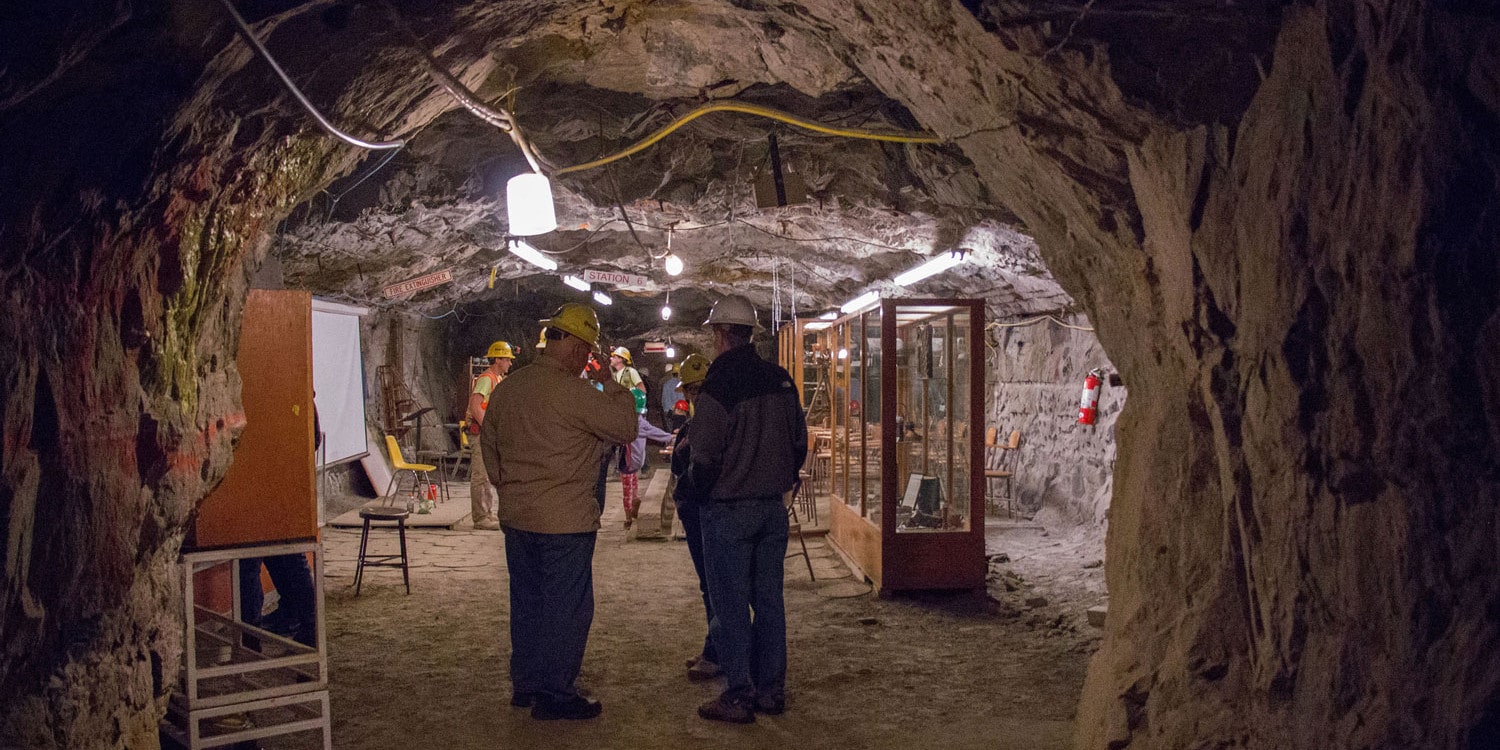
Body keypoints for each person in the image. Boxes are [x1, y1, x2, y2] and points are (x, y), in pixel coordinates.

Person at [481, 303, 637, 721]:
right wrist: (611, 382)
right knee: (566, 610)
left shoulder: (509, 388)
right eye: (586, 351)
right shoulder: (577, 394)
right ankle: (554, 694)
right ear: (570, 346)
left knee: (528, 603)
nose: (587, 359)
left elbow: (488, 443)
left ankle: (527, 684)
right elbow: (625, 428)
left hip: (518, 520)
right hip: (565, 523)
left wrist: (506, 485)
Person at [686, 295, 807, 723]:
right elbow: (799, 445)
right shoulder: (781, 380)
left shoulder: (719, 384)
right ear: (750, 333)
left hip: (728, 511)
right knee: (770, 601)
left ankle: (738, 694)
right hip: (771, 510)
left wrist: (702, 489)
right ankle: (772, 691)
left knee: (732, 605)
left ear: (720, 335)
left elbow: (703, 451)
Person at [666, 353, 719, 680]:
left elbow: (701, 468)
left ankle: (717, 653)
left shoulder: (705, 423)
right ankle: (715, 647)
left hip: (705, 511)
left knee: (714, 584)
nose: (694, 394)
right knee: (710, 584)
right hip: (699, 510)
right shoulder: (699, 422)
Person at [466, 340, 514, 531]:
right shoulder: (487, 379)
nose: (510, 363)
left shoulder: (497, 379)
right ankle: (480, 517)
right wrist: (489, 430)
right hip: (480, 434)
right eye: (507, 360)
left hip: (487, 434)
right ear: (497, 359)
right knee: (480, 475)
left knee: (487, 475)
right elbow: (475, 405)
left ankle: (487, 513)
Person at [608, 346, 649, 513]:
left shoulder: (630, 372)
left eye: (614, 356)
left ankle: (631, 505)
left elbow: (642, 391)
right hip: (620, 415)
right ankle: (634, 498)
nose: (611, 358)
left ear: (621, 359)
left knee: (630, 450)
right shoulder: (615, 375)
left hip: (630, 416)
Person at [619, 412, 675, 529]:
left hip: (628, 461)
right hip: (631, 461)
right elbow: (654, 432)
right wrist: (670, 437)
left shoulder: (626, 421)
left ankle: (630, 515)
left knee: (629, 489)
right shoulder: (639, 423)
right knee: (630, 488)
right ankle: (630, 515)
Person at [660, 365, 684, 431]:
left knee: (670, 432)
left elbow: (663, 400)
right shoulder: (682, 385)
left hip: (668, 412)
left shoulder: (666, 384)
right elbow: (683, 399)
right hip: (680, 412)